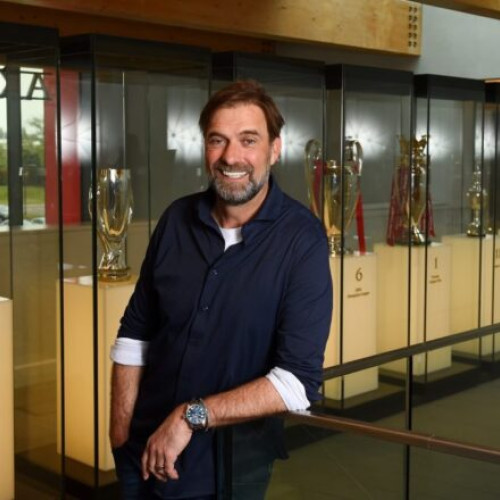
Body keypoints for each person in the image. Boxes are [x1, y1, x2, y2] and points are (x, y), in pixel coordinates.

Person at [109, 80, 333, 500]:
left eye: (248, 140)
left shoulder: (303, 241)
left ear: (275, 149)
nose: (231, 156)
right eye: (218, 140)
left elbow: (296, 382)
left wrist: (189, 417)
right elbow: (135, 332)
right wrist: (121, 433)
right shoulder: (176, 219)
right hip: (141, 456)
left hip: (228, 469)